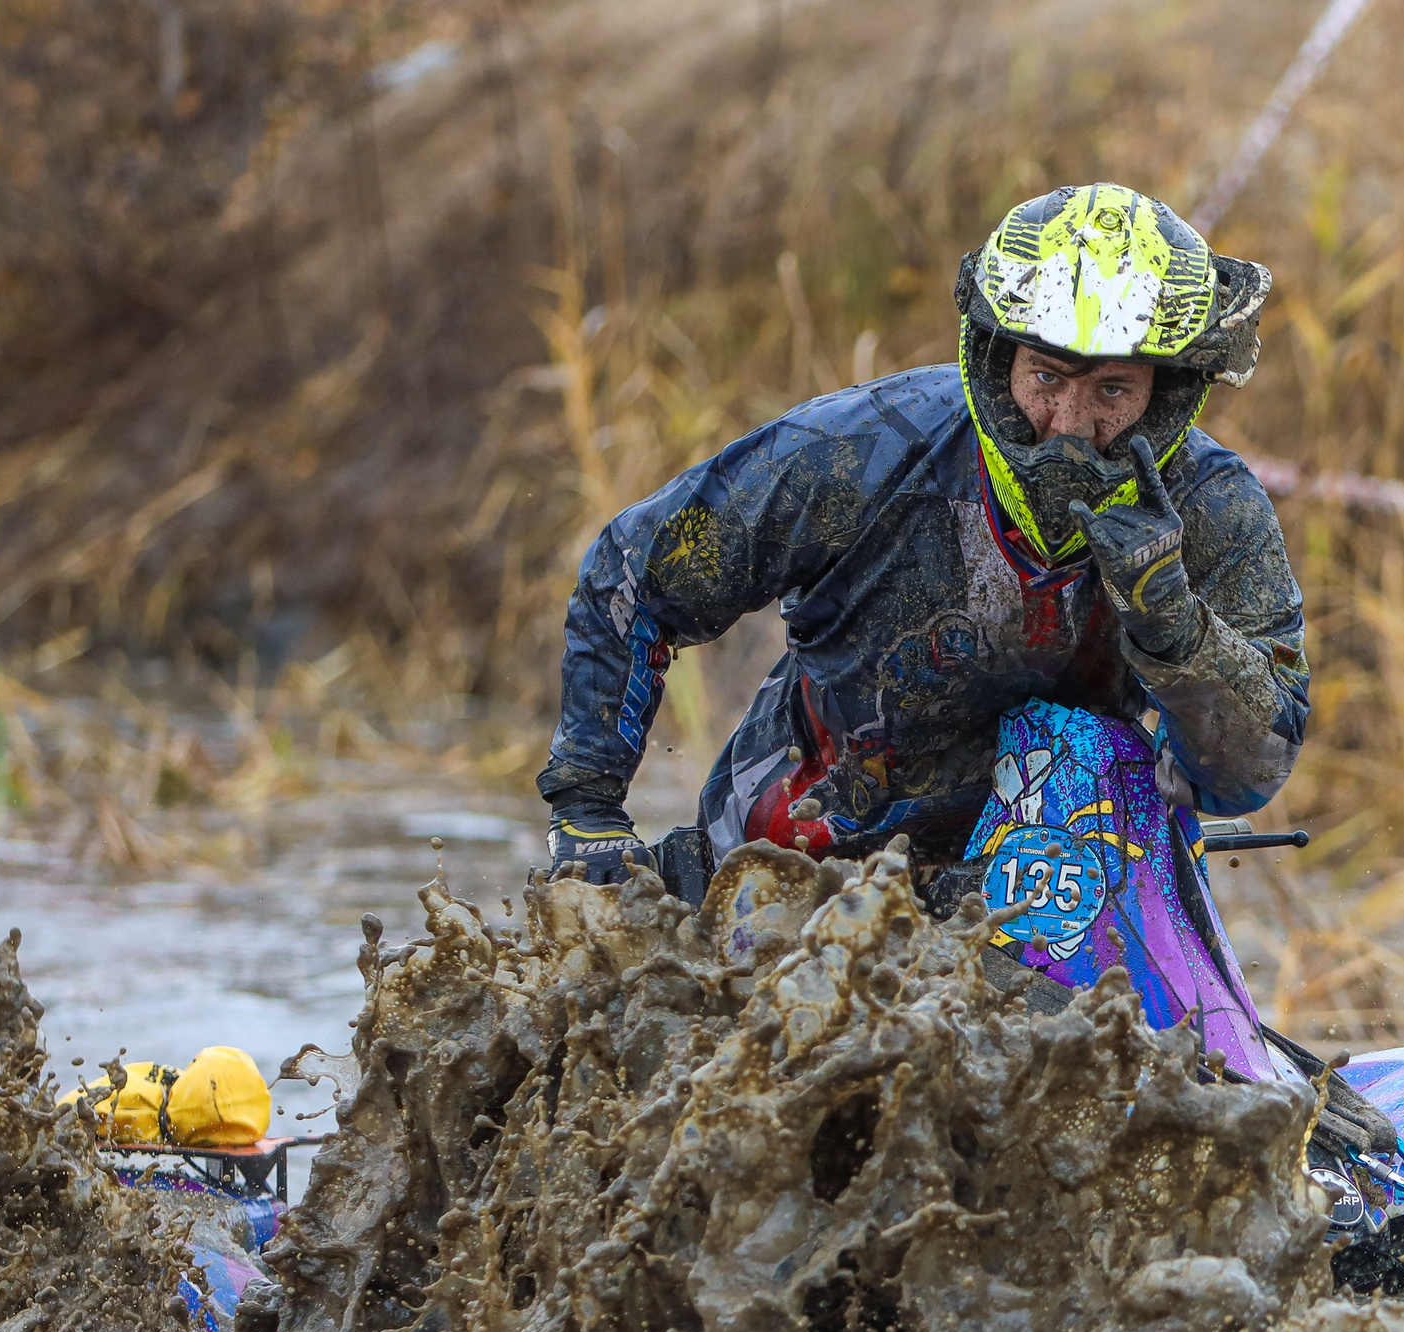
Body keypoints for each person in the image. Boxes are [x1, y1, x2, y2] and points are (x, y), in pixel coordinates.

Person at [538, 183, 1309, 893]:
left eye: (1112, 390)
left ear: (1165, 396)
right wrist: (589, 814)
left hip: (1047, 903)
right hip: (787, 875)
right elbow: (635, 571)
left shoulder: (1211, 511)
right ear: (999, 359)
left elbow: (1248, 775)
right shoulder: (864, 450)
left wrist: (1176, 630)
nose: (1070, 428)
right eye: (1046, 379)